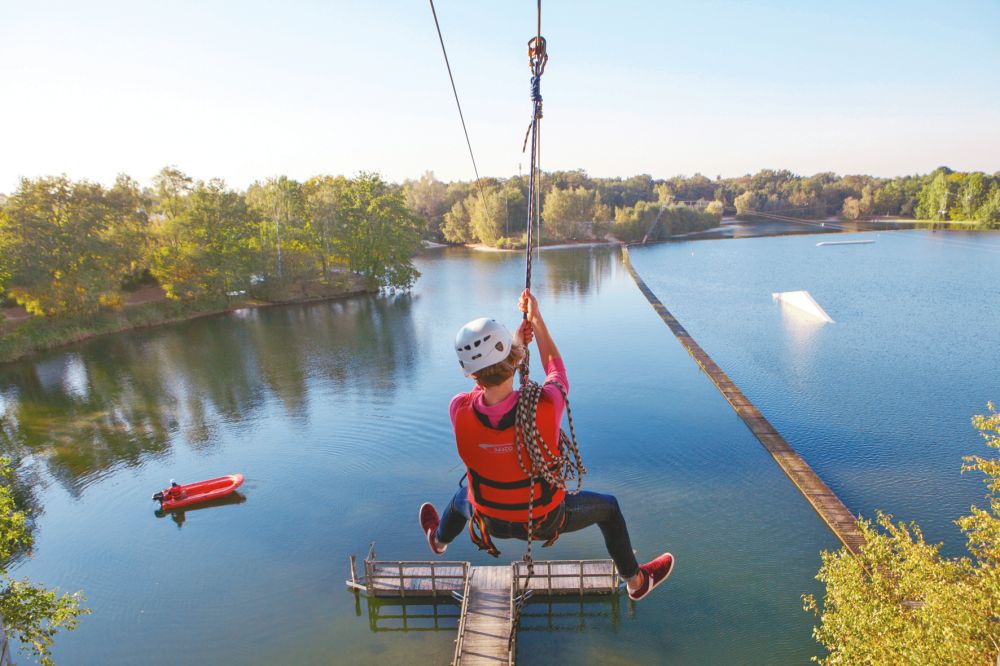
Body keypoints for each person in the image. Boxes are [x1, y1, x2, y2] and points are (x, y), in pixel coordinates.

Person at [419, 289, 674, 601]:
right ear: (513, 360)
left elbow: (485, 386)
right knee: (609, 509)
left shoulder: (458, 409)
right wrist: (536, 321)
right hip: (544, 519)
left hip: (490, 520)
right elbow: (556, 371)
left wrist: (513, 348)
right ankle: (636, 581)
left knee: (463, 497)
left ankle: (439, 540)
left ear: (470, 373)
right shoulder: (545, 405)